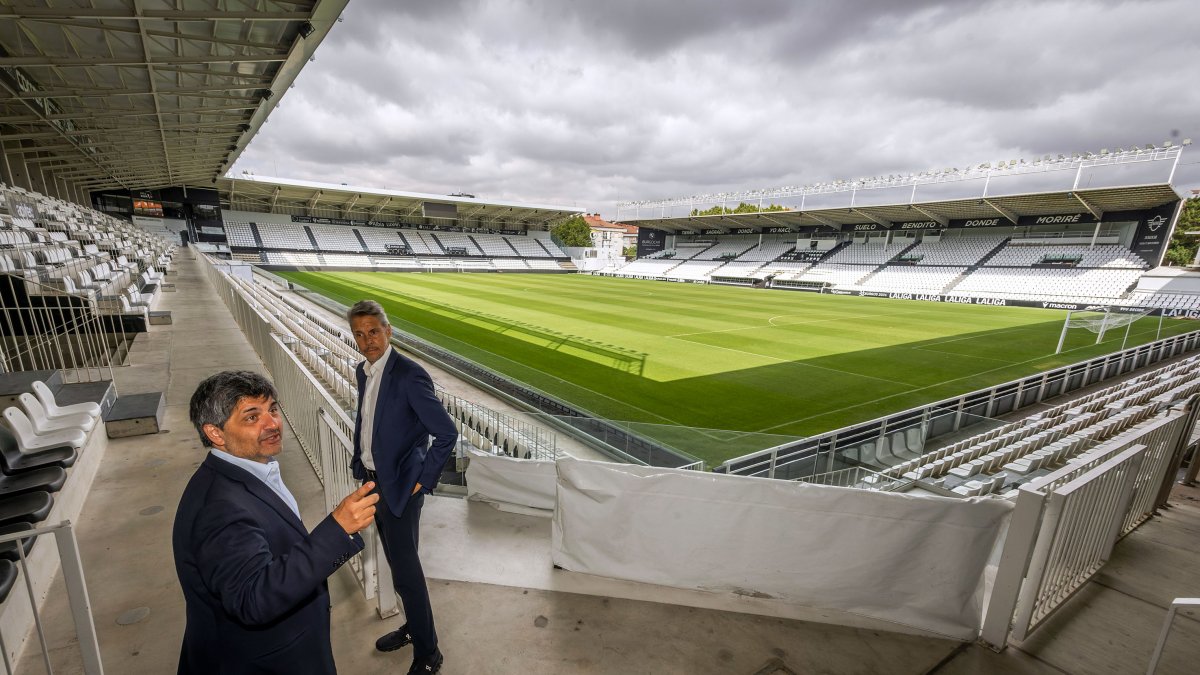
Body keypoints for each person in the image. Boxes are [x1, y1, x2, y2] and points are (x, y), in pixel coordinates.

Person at [173, 370, 380, 675]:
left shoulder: (248, 470)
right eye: (251, 417)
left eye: (272, 409)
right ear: (216, 434)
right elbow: (252, 599)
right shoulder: (219, 509)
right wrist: (337, 530)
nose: (272, 424)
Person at [347, 300, 458, 675]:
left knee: (407, 574)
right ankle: (414, 626)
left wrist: (422, 481)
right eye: (359, 334)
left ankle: (429, 653)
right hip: (373, 483)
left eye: (373, 332)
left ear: (388, 331)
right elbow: (367, 420)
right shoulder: (363, 371)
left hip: (400, 490)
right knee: (398, 566)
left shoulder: (409, 375)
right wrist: (360, 461)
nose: (367, 340)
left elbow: (446, 433)